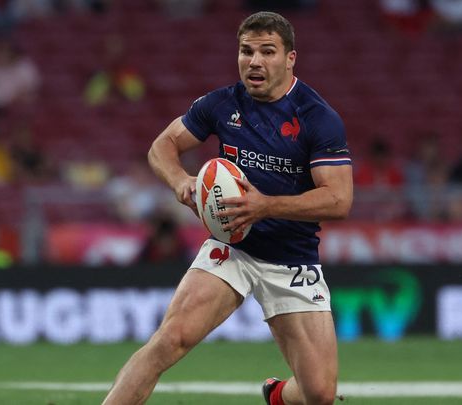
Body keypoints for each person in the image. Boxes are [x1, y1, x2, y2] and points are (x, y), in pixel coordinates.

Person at [102, 11, 353, 405]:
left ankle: (275, 396)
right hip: (232, 249)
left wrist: (264, 206)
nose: (254, 61)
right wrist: (181, 181)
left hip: (292, 259)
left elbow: (339, 199)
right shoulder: (222, 104)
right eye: (246, 51)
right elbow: (161, 147)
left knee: (319, 393)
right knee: (169, 341)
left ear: (290, 59)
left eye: (267, 51)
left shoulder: (317, 118)